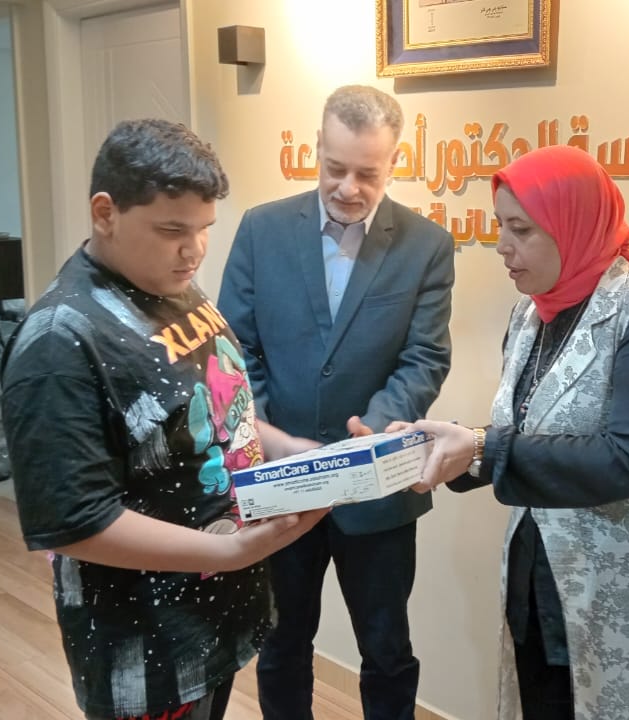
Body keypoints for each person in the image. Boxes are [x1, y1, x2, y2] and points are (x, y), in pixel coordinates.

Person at [402, 145, 629, 720]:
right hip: (544, 590)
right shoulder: (533, 312)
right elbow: (527, 431)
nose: (501, 246)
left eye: (521, 229)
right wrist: (447, 448)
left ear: (573, 224)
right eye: (499, 226)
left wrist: (483, 447)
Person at [1, 119, 327, 720]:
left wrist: (286, 447)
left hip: (214, 619)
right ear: (106, 213)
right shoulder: (59, 342)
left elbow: (208, 410)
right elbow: (74, 522)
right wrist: (230, 553)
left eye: (204, 229)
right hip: (147, 649)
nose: (194, 250)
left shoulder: (171, 284)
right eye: (173, 230)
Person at [217, 85, 454, 720]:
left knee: (387, 649)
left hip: (377, 486)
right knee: (281, 644)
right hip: (280, 481)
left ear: (395, 163)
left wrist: (369, 433)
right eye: (335, 168)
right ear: (317, 148)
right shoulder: (261, 230)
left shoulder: (427, 245)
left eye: (367, 174)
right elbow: (236, 350)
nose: (348, 188)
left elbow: (425, 357)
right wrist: (272, 437)